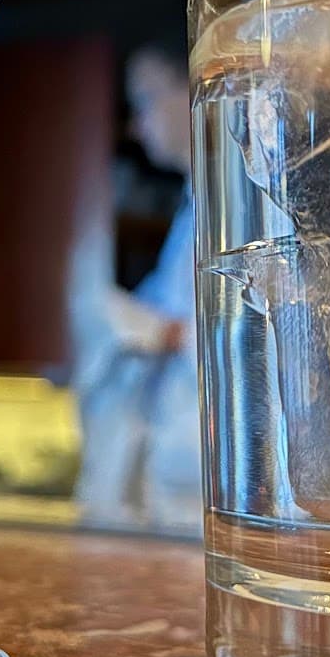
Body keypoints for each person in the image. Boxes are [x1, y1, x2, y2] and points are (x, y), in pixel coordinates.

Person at [74, 38, 201, 525]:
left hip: (200, 488)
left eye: (144, 99)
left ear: (192, 86)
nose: (136, 122)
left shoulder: (242, 206)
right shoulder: (193, 213)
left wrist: (160, 333)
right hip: (170, 489)